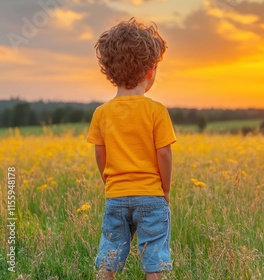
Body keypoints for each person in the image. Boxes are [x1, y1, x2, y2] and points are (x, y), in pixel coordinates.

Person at [87, 18, 176, 280]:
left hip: (115, 196)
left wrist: (109, 179)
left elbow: (100, 154)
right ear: (150, 71)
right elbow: (164, 153)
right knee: (154, 260)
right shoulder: (156, 111)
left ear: (110, 71)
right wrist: (166, 189)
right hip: (151, 196)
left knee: (110, 256)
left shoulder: (101, 113)